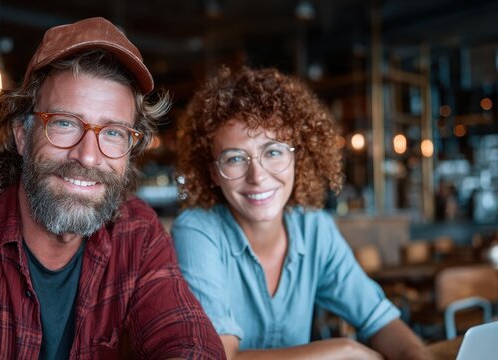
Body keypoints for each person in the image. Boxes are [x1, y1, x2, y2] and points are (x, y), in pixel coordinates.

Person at [0, 17, 224, 359]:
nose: (88, 156)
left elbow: (188, 342)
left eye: (112, 133)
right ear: (22, 135)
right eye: (64, 124)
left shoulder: (136, 233)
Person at [171, 66, 430, 360]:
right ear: (213, 173)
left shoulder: (314, 227)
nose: (258, 176)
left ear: (298, 157)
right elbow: (221, 356)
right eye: (235, 158)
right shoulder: (197, 231)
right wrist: (344, 350)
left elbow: (379, 319)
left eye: (273, 152)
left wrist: (416, 354)